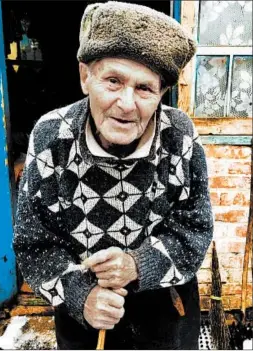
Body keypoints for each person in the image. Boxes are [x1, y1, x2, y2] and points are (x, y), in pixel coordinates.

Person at [13, 2, 214, 349]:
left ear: (162, 93)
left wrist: (137, 263)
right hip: (84, 310)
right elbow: (35, 244)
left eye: (144, 88)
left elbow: (194, 229)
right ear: (84, 76)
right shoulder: (51, 137)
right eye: (113, 80)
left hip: (166, 306)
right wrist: (80, 296)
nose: (125, 103)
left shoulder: (179, 135)